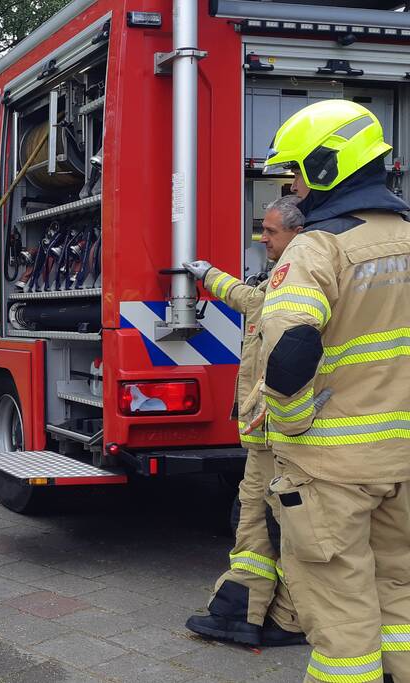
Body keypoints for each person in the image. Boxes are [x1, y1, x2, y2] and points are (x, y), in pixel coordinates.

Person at [254, 99, 410, 683]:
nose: (293, 187)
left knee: (340, 605)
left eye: (296, 172)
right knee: (399, 590)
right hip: (402, 460)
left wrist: (290, 423)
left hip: (332, 466)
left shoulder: (319, 246)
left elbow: (290, 350)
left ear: (326, 167)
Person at [182, 195, 307, 647]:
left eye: (271, 231)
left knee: (281, 527)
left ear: (297, 233)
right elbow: (252, 300)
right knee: (254, 520)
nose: (262, 239)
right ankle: (240, 613)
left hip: (283, 434)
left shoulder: (306, 277)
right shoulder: (283, 278)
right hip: (263, 434)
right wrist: (209, 276)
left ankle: (289, 620)